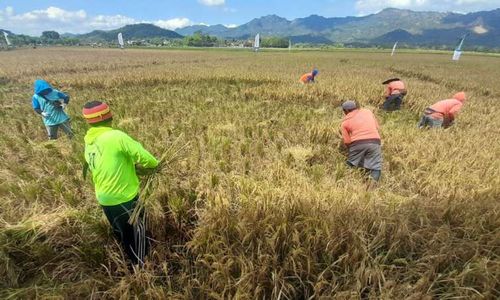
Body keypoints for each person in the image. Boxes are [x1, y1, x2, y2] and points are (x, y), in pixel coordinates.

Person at [82, 101, 159, 266]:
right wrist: (155, 166)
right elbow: (147, 159)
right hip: (123, 197)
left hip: (104, 198)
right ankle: (140, 266)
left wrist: (131, 168)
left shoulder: (89, 142)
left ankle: (131, 256)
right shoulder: (116, 136)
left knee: (122, 231)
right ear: (108, 116)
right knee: (136, 232)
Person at [340, 101, 382, 182]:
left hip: (357, 143)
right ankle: (371, 188)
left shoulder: (344, 122)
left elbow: (347, 142)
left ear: (346, 111)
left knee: (351, 163)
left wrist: (352, 150)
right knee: (375, 167)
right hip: (375, 141)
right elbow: (377, 127)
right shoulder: (368, 112)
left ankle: (342, 180)